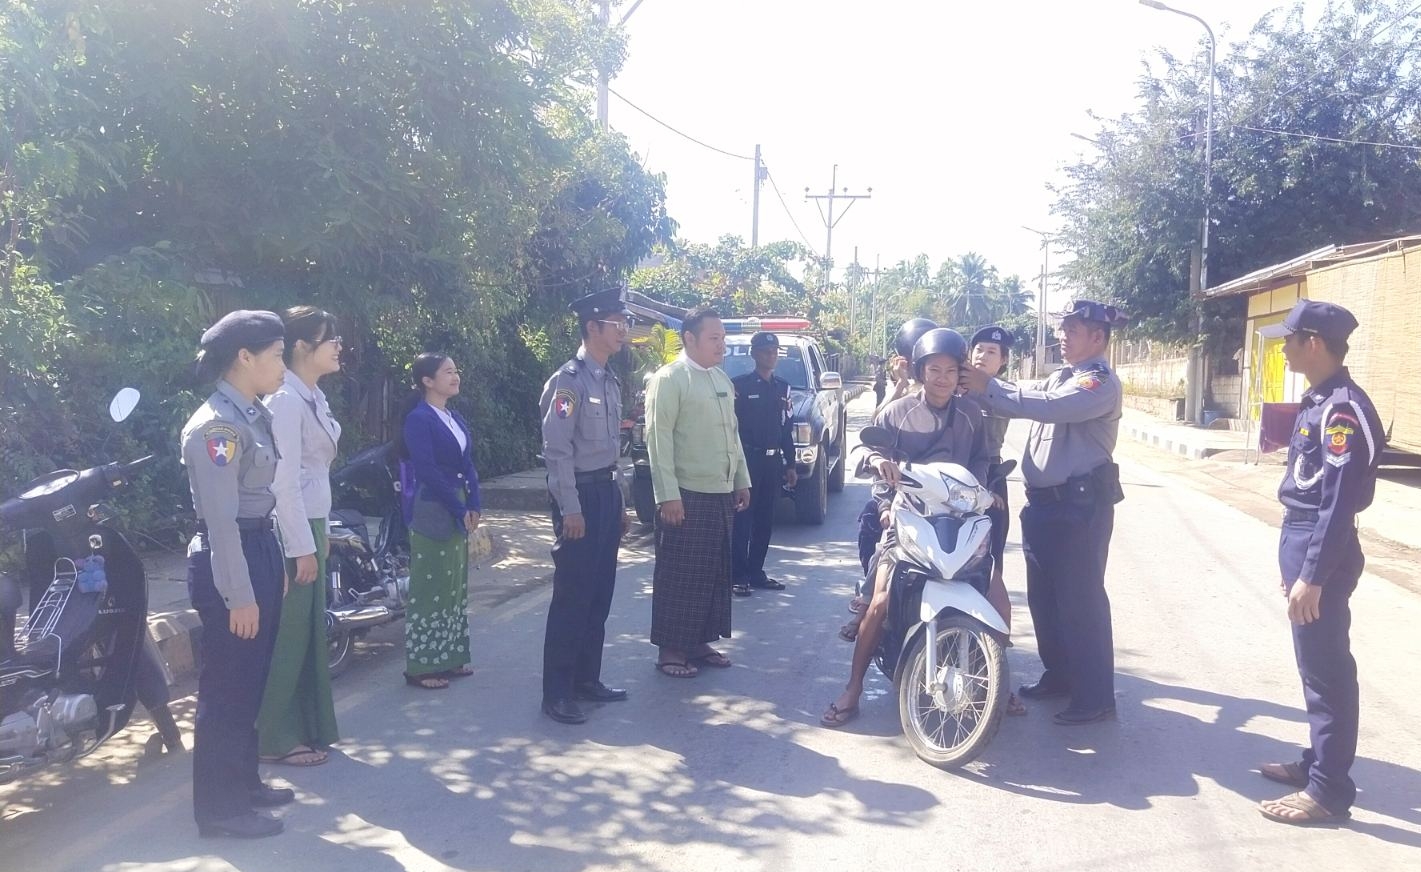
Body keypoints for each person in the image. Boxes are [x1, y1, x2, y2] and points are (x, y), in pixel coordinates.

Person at [959, 300, 1128, 726]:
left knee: (1081, 602)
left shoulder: (1098, 382)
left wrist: (988, 386)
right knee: (1045, 600)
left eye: (1072, 330)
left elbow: (1050, 406)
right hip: (1045, 505)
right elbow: (1028, 399)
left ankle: (1095, 697)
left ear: (1098, 337)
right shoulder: (1061, 376)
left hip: (1079, 507)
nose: (1062, 337)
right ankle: (1060, 675)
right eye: (1062, 329)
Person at [1254, 301, 1384, 826]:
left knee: (1327, 671)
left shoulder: (1342, 411)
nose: (1283, 349)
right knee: (1314, 666)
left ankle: (1329, 790)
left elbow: (1338, 504)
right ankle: (1317, 763)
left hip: (1321, 545)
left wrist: (1312, 575)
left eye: (1289, 340)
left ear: (1313, 343)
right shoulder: (1320, 401)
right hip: (1305, 539)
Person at [822, 328, 987, 728]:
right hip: (908, 518)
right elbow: (866, 450)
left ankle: (996, 681)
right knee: (879, 601)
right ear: (919, 371)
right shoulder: (897, 412)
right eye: (934, 370)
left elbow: (984, 462)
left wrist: (988, 494)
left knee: (992, 589)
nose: (943, 378)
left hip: (959, 520)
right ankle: (853, 688)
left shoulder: (972, 415)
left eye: (951, 370)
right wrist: (882, 486)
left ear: (960, 373)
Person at [180, 309, 294, 839]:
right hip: (231, 557)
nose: (283, 366)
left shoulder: (250, 414)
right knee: (227, 688)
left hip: (256, 546)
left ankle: (243, 783)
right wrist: (239, 593)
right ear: (244, 357)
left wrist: (275, 563)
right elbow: (221, 521)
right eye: (277, 356)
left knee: (250, 679)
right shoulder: (218, 428)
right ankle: (220, 810)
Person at [538, 287, 636, 725]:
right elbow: (557, 451)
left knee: (599, 593)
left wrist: (620, 503)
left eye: (624, 322)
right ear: (592, 327)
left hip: (605, 493)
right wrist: (570, 508)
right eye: (616, 323)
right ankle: (557, 693)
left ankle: (586, 679)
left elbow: (611, 453)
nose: (623, 330)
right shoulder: (569, 381)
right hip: (578, 496)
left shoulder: (608, 379)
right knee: (572, 597)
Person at [256, 306, 342, 767]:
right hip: (292, 528)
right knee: (290, 637)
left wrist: (320, 530)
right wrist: (302, 545)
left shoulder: (312, 396)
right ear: (302, 347)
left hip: (312, 523)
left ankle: (305, 728)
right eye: (331, 339)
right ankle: (274, 736)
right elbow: (282, 482)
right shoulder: (286, 401)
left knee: (308, 634)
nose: (339, 347)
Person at [645, 307, 751, 678]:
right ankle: (672, 649)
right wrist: (667, 495)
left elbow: (732, 434)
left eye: (723, 338)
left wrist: (741, 478)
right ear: (689, 338)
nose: (721, 345)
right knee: (680, 573)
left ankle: (699, 641)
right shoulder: (671, 379)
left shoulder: (720, 378)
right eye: (714, 338)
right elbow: (657, 438)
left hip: (720, 491)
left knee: (713, 572)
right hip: (686, 494)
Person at [843, 318, 938, 640]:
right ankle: (867, 605)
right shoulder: (901, 394)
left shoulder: (950, 391)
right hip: (897, 487)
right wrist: (899, 385)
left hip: (942, 491)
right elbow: (875, 429)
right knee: (877, 534)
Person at [397, 353, 482, 690]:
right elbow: (428, 470)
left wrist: (474, 503)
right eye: (448, 372)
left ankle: (450, 658)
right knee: (429, 587)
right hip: (433, 508)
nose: (455, 376)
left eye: (456, 370)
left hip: (458, 505)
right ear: (427, 381)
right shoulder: (419, 419)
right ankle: (421, 667)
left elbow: (467, 463)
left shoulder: (453, 417)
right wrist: (459, 507)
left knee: (453, 585)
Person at [968, 325, 1025, 717]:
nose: (982, 356)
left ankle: (994, 675)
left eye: (992, 352)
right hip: (950, 482)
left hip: (990, 480)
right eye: (978, 349)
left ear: (1003, 361)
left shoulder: (1000, 392)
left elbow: (1013, 406)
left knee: (990, 572)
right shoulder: (952, 382)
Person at [730, 331, 798, 597]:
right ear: (754, 354)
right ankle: (738, 575)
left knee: (765, 520)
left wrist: (790, 463)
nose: (771, 355)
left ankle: (756, 572)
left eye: (774, 351)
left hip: (773, 462)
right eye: (766, 351)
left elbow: (786, 427)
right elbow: (731, 429)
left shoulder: (783, 388)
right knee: (742, 519)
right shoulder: (740, 387)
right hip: (748, 460)